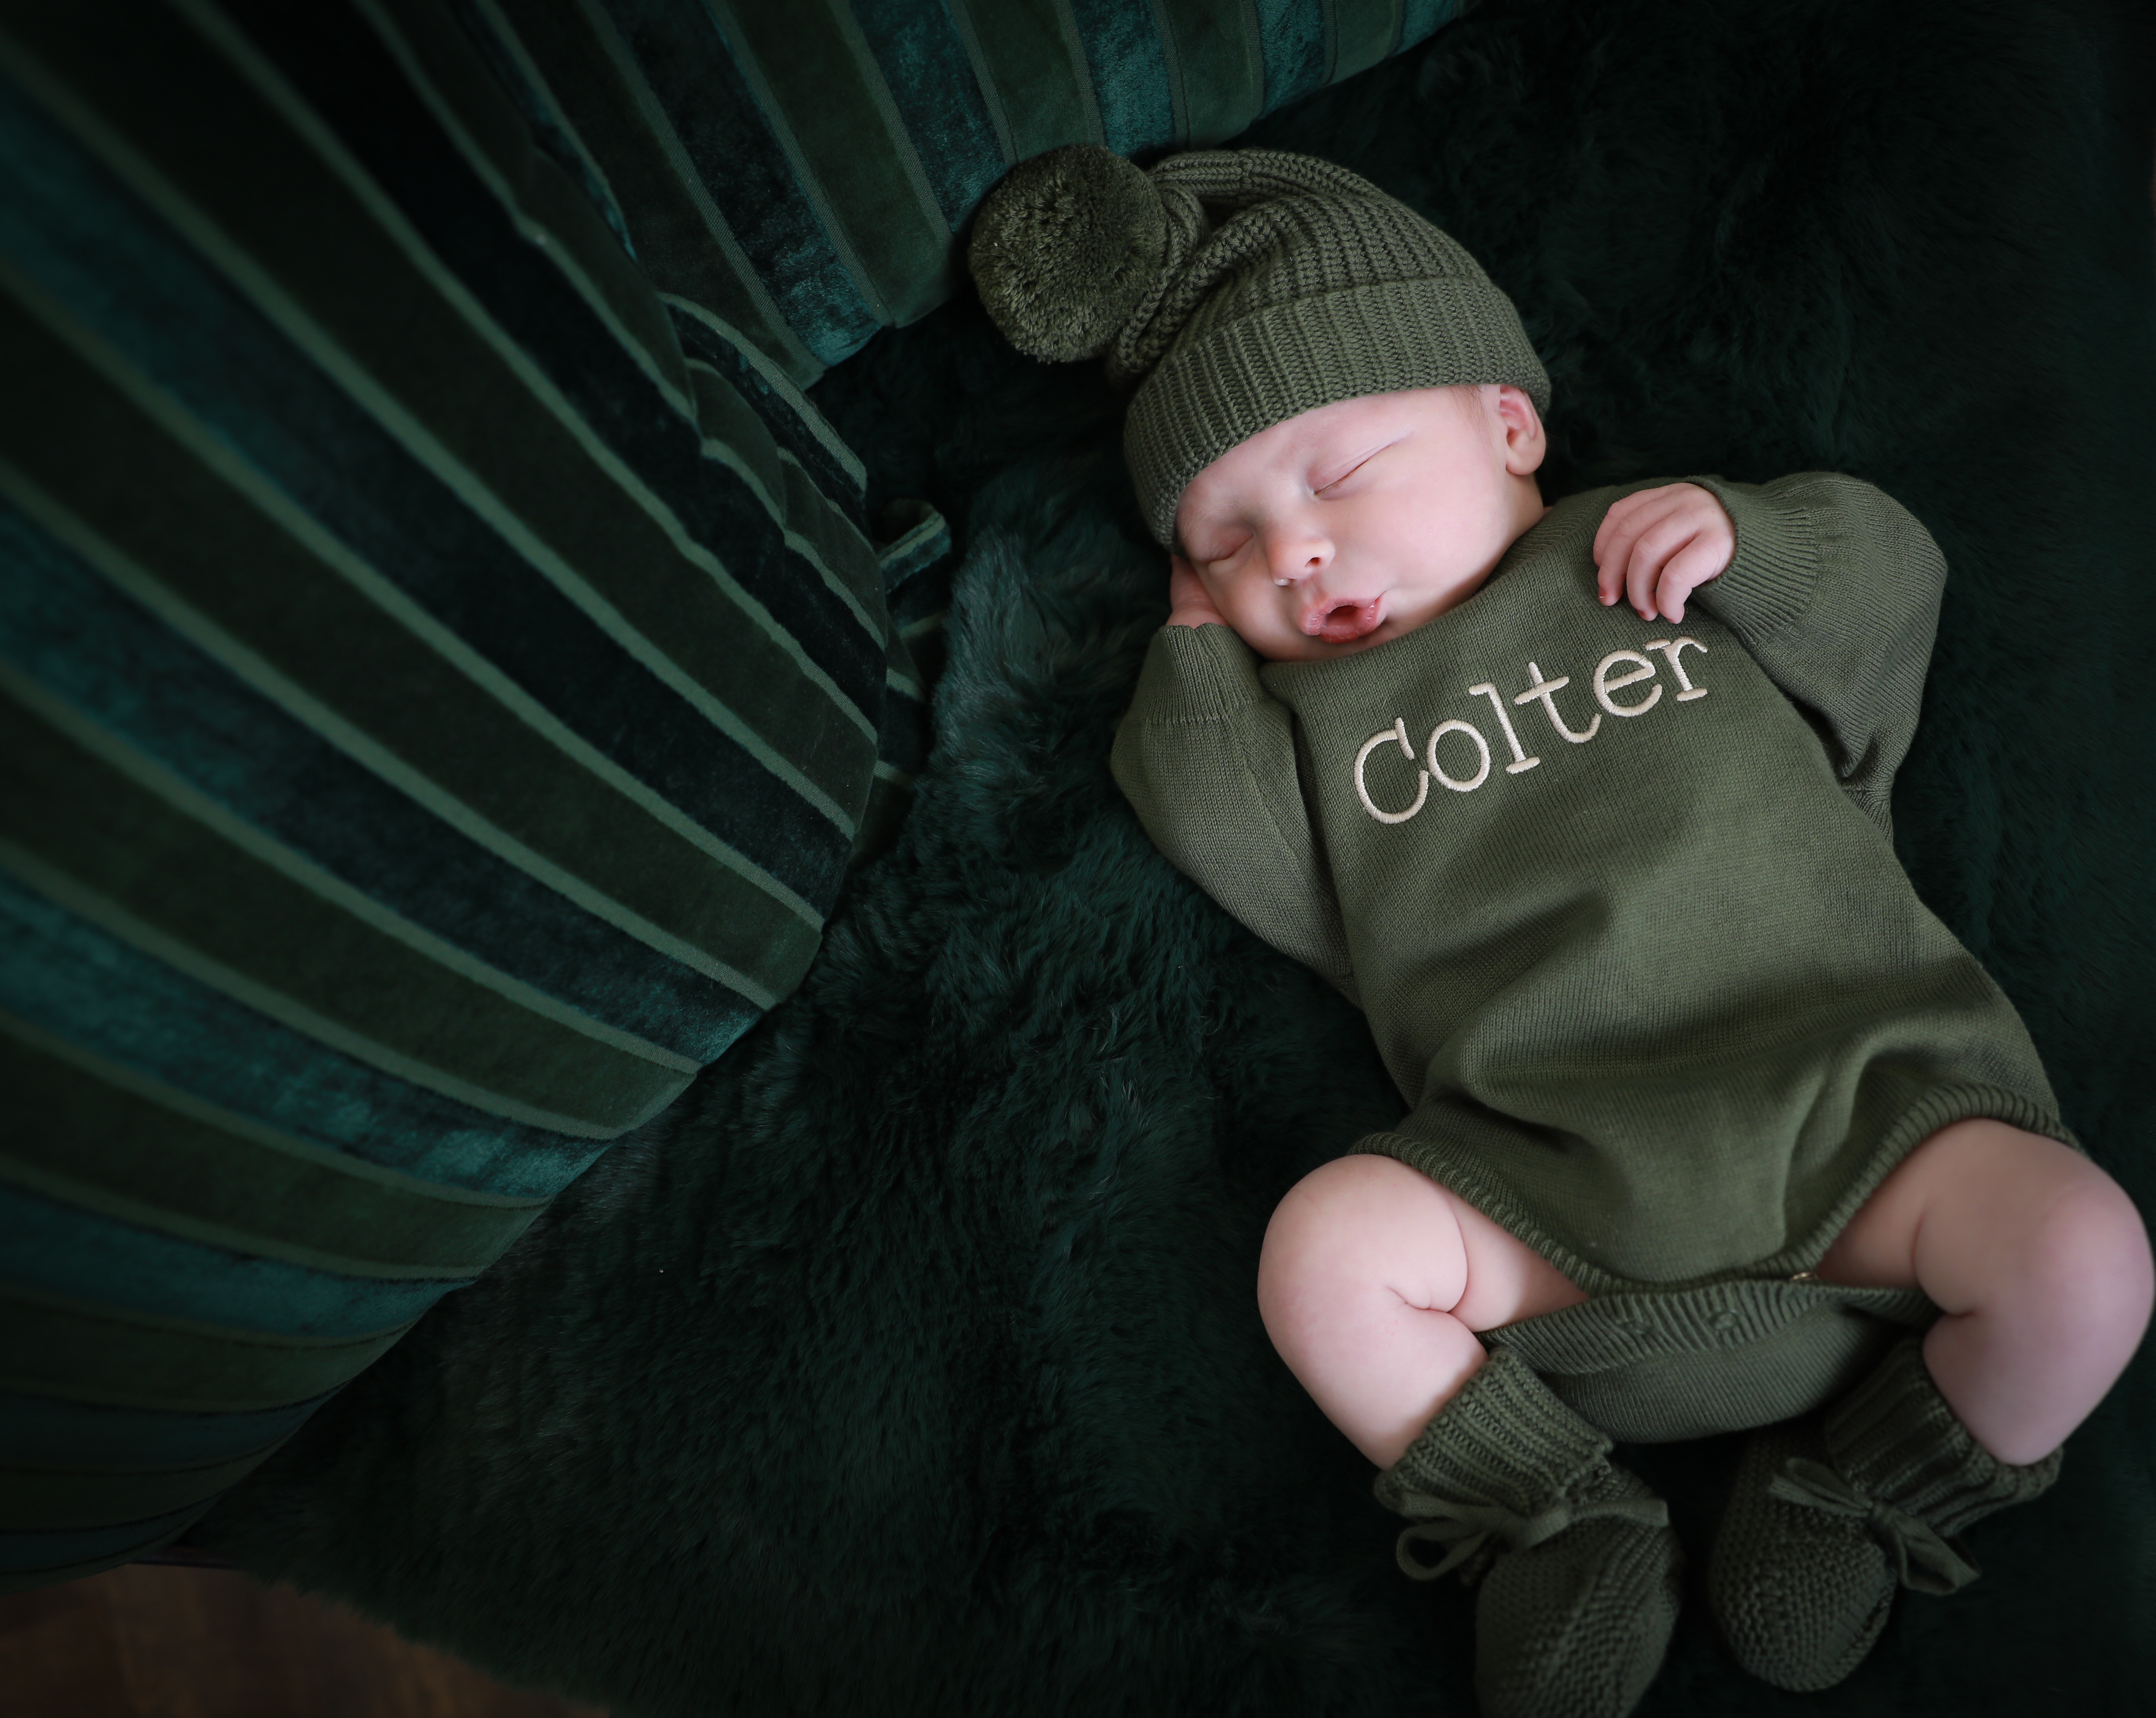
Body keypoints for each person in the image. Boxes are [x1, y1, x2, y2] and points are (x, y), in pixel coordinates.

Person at [966, 145, 2153, 1718]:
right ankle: (1548, 1515)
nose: (1293, 554)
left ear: (1509, 422)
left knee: (2087, 1256)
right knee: (1324, 1252)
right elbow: (1227, 833)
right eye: (1224, 540)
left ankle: (1867, 1495)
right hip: (1548, 1198)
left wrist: (1749, 540)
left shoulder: (1630, 556)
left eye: (1338, 474)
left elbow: (1888, 596)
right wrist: (1195, 664)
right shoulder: (1316, 721)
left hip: (1860, 1123)